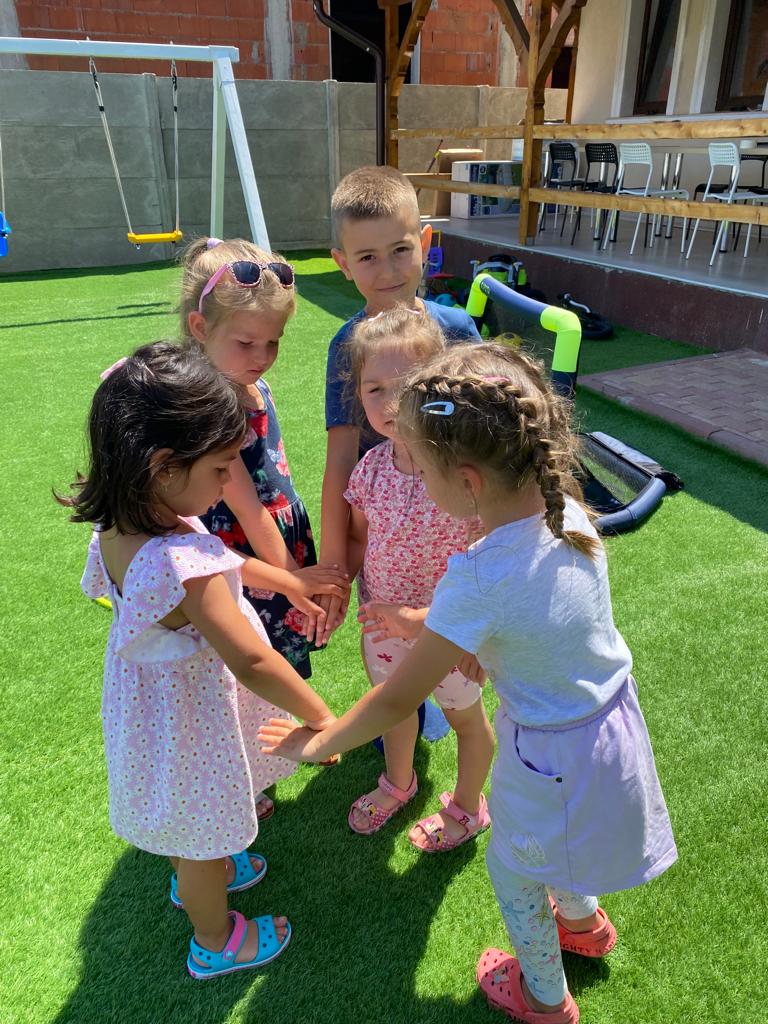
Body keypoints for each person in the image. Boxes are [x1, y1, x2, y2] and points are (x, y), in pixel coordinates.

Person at [260, 341, 678, 1024]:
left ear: (468, 480)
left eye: (423, 471)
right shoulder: (566, 513)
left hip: (548, 755)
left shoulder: (478, 576)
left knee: (515, 869)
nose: (418, 484)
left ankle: (545, 998)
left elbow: (398, 698)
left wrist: (318, 742)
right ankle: (584, 923)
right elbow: (544, 614)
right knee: (560, 846)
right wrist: (491, 644)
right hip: (608, 726)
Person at [59, 342, 343, 980]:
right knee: (204, 824)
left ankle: (198, 869)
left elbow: (215, 554)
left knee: (191, 813)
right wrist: (322, 718)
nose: (225, 485)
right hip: (192, 712)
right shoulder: (178, 563)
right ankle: (215, 938)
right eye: (220, 470)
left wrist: (287, 580)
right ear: (162, 465)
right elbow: (253, 661)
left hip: (158, 704)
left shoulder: (128, 526)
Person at [179, 238, 350, 817]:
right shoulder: (210, 405)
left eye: (273, 341)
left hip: (279, 535)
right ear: (200, 327)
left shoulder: (252, 382)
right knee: (252, 658)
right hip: (249, 553)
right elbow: (247, 508)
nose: (263, 354)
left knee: (278, 651)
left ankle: (269, 756)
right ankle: (249, 775)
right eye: (247, 341)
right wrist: (292, 579)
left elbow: (275, 467)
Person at [343, 306, 494, 848]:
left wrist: (477, 634)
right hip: (383, 628)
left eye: (404, 387)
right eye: (373, 388)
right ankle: (399, 784)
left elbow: (492, 558)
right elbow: (361, 537)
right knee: (394, 709)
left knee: (467, 721)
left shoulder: (464, 474)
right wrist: (342, 587)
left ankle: (467, 804)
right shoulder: (370, 468)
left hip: (447, 635)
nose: (388, 403)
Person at [318, 165, 481, 651]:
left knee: (451, 642)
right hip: (386, 524)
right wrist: (333, 571)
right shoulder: (347, 344)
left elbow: (488, 435)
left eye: (400, 250)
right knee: (388, 640)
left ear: (425, 242)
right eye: (367, 256)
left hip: (454, 525)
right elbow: (341, 459)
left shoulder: (457, 330)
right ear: (343, 263)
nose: (387, 271)